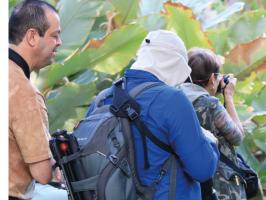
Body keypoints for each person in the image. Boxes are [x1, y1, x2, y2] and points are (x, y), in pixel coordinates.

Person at [86, 30, 219, 199]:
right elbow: (202, 169)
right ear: (174, 64)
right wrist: (210, 142)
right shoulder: (172, 99)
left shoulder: (104, 98)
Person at [9, 0, 63, 199]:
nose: (59, 43)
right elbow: (42, 174)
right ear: (32, 36)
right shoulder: (23, 92)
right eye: (55, 36)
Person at [178, 48, 247, 200]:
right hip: (220, 187)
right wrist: (228, 96)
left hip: (188, 185)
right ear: (211, 80)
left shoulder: (175, 100)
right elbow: (237, 137)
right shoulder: (211, 105)